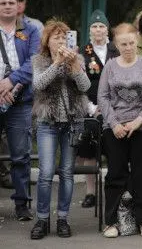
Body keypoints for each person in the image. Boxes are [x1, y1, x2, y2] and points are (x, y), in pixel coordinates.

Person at [30, 20, 91, 239]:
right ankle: (42, 219)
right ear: (47, 40)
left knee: (67, 173)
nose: (61, 41)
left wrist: (74, 66)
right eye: (56, 37)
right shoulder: (39, 60)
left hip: (72, 123)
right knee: (46, 173)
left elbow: (85, 87)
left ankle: (63, 218)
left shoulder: (79, 59)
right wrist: (56, 64)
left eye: (64, 37)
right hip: (48, 124)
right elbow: (38, 85)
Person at [98, 23, 142, 238]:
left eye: (131, 43)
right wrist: (114, 124)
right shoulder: (110, 66)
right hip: (114, 127)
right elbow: (103, 97)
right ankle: (111, 222)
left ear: (137, 43)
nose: (128, 47)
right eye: (123, 44)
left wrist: (138, 121)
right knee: (116, 173)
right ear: (116, 44)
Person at [0, 0, 40, 221]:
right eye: (2, 3)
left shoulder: (31, 30)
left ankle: (22, 204)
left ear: (18, 7)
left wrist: (11, 82)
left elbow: (34, 61)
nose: (6, 6)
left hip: (21, 100)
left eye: (10, 3)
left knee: (21, 156)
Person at [78, 9, 119, 209]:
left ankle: (113, 188)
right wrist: (92, 108)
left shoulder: (116, 50)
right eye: (94, 26)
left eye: (102, 26)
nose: (98, 30)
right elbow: (78, 85)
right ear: (89, 30)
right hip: (91, 107)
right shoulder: (82, 52)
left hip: (114, 108)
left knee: (114, 149)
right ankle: (90, 193)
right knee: (89, 152)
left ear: (107, 29)